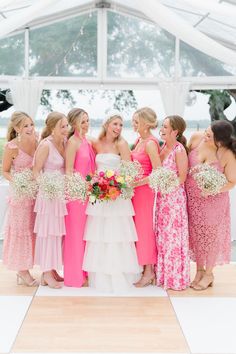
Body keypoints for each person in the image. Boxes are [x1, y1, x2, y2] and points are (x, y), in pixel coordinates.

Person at [82, 112, 141, 293]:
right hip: (99, 195)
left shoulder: (121, 144)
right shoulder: (95, 143)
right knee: (99, 234)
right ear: (107, 124)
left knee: (116, 234)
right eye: (115, 124)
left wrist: (115, 186)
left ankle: (118, 272)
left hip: (116, 196)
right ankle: (99, 273)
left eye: (121, 125)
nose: (118, 128)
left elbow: (128, 171)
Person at [186, 120, 236, 290]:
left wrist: (212, 189)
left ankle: (209, 273)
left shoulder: (227, 154)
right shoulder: (196, 138)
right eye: (206, 132)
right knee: (197, 235)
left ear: (220, 140)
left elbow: (231, 182)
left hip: (214, 202)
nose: (205, 136)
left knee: (211, 237)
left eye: (210, 136)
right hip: (192, 200)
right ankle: (199, 271)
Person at [33, 112, 68, 289]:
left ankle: (53, 269)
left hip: (61, 194)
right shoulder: (45, 145)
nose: (66, 129)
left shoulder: (64, 142)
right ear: (52, 128)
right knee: (48, 233)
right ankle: (46, 273)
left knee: (57, 233)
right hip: (48, 195)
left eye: (67, 126)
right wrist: (46, 187)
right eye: (62, 126)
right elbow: (36, 171)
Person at [2, 111, 38, 286]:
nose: (30, 128)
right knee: (21, 231)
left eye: (31, 124)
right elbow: (5, 170)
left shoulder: (38, 142)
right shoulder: (11, 147)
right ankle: (22, 271)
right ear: (17, 128)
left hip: (36, 194)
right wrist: (17, 181)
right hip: (20, 196)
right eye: (25, 125)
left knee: (33, 230)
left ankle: (29, 267)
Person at [154, 115, 190, 290]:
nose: (162, 128)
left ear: (175, 131)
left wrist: (167, 187)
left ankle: (175, 278)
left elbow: (182, 177)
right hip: (162, 200)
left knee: (173, 238)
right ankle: (163, 275)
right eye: (162, 125)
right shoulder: (162, 148)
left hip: (174, 200)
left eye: (166, 126)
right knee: (163, 237)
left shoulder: (179, 149)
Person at [64, 108, 95, 287]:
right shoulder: (73, 142)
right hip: (76, 196)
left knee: (85, 235)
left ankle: (85, 272)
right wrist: (77, 187)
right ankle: (74, 276)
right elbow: (68, 170)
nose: (86, 124)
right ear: (74, 123)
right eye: (82, 121)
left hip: (89, 194)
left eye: (88, 120)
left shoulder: (87, 141)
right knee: (75, 235)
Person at [131, 107, 161, 287]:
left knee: (144, 231)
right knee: (137, 231)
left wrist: (137, 183)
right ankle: (143, 268)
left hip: (145, 192)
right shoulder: (138, 140)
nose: (133, 124)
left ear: (145, 123)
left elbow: (157, 172)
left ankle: (149, 271)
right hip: (135, 192)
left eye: (136, 121)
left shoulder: (150, 143)